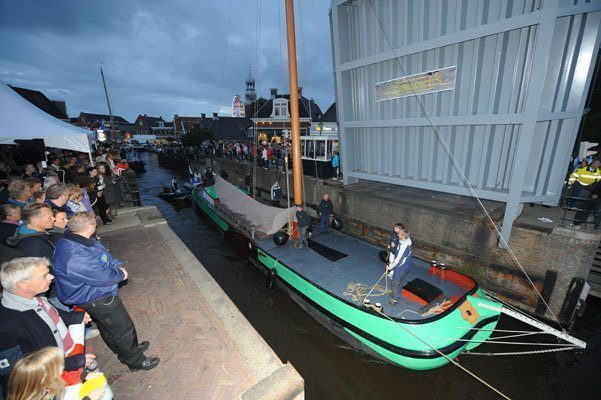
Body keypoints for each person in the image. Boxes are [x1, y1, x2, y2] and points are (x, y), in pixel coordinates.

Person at [53, 212, 160, 371]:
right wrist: (121, 274)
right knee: (123, 329)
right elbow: (104, 277)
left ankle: (125, 351)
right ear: (89, 227)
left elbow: (103, 256)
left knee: (108, 327)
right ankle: (136, 362)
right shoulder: (75, 255)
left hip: (94, 294)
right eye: (95, 224)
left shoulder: (79, 239)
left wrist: (117, 265)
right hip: (96, 297)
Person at [0, 257, 94, 393]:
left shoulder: (32, 297)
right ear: (22, 284)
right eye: (44, 275)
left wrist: (75, 317)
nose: (51, 277)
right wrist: (70, 363)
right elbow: (21, 371)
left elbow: (50, 314)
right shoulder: (6, 327)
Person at [7, 347, 108, 400]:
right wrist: (88, 398)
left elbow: (64, 376)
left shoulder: (41, 386)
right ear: (45, 379)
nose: (62, 369)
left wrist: (85, 375)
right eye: (59, 368)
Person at [387, 228, 413, 306]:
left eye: (400, 234)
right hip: (406, 264)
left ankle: (395, 299)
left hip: (402, 267)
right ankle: (396, 292)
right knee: (398, 281)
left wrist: (390, 267)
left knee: (395, 282)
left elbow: (398, 259)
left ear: (403, 237)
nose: (398, 234)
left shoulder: (404, 246)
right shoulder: (407, 240)